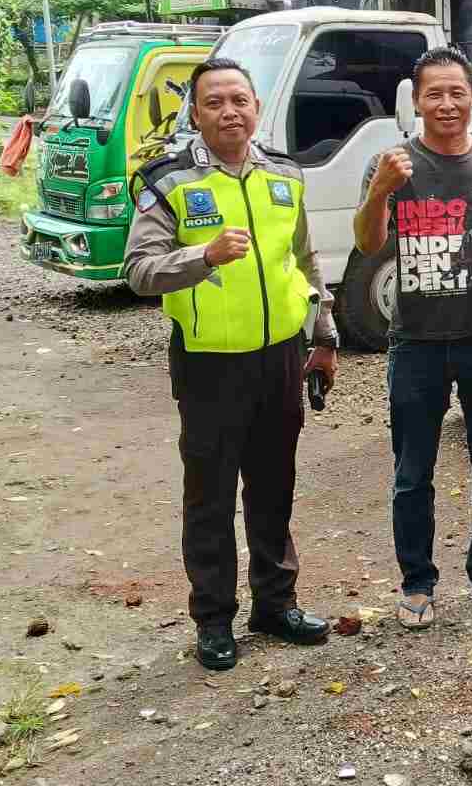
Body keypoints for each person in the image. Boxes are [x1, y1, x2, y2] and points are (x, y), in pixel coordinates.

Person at [123, 56, 339, 672]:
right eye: (214, 102)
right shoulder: (169, 182)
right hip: (209, 365)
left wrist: (323, 334)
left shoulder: (284, 175)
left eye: (239, 100)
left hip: (278, 360)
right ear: (195, 113)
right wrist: (204, 256)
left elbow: (304, 259)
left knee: (274, 490)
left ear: (256, 108)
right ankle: (214, 619)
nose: (229, 111)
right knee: (211, 498)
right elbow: (138, 271)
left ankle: (275, 604)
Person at [351, 47, 472, 629]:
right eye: (433, 93)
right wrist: (381, 190)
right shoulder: (392, 164)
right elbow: (366, 244)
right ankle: (417, 580)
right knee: (413, 471)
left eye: (455, 92)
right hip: (415, 343)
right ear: (415, 101)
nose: (445, 104)